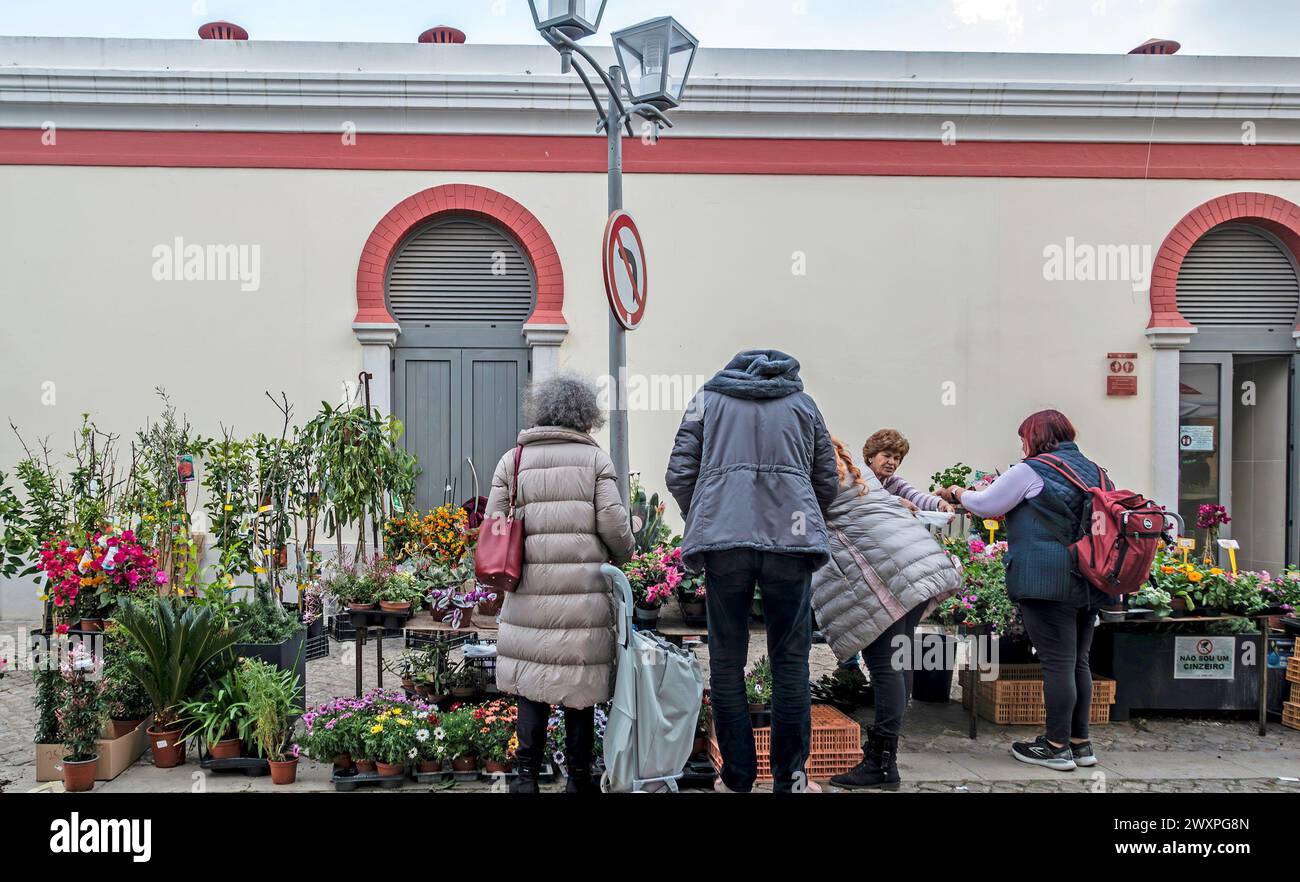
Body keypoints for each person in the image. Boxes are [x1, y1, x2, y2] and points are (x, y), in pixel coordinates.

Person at [666, 349, 838, 793]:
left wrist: (708, 514)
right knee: (791, 661)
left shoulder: (707, 398)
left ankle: (737, 777)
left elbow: (679, 472)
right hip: (790, 545)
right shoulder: (804, 404)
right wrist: (800, 515)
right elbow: (827, 479)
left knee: (725, 661)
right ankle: (792, 778)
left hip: (725, 545)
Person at [485, 373, 635, 793]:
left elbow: (495, 523)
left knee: (530, 686)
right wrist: (625, 552)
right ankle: (579, 780)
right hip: (582, 597)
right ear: (585, 415)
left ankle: (526, 778)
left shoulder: (512, 461)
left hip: (528, 593)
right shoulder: (595, 461)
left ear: (542, 410)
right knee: (579, 689)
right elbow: (613, 524)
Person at [943, 409, 1109, 771]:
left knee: (1057, 663)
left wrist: (957, 491)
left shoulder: (1032, 470)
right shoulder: (1096, 471)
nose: (1021, 445)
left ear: (1036, 437)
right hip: (1089, 580)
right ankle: (1080, 744)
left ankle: (1055, 746)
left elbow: (986, 505)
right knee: (1078, 662)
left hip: (1046, 580)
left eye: (1024, 438)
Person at [815, 437, 960, 790]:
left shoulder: (819, 475)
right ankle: (884, 759)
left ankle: (881, 763)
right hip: (911, 564)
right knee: (897, 660)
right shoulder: (849, 465)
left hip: (889, 574)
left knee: (884, 666)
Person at [862, 429, 955, 514]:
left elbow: (915, 496)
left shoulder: (894, 482)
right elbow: (870, 497)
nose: (892, 462)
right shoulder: (858, 477)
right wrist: (898, 502)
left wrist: (940, 503)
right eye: (887, 456)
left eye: (896, 458)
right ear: (871, 456)